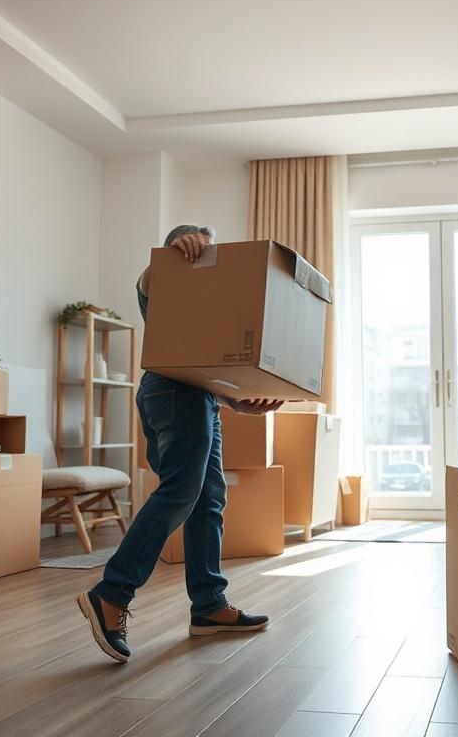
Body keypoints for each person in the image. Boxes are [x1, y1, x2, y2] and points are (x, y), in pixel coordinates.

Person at [77, 224, 282, 663]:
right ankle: (111, 593)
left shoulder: (208, 305)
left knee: (208, 499)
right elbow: (148, 284)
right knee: (181, 493)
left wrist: (237, 403)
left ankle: (208, 606)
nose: (209, 258)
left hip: (198, 396)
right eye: (202, 248)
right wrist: (169, 256)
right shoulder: (167, 277)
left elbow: (202, 361)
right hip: (173, 393)